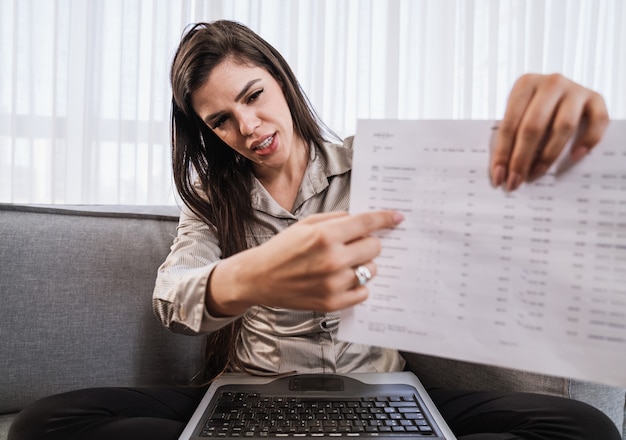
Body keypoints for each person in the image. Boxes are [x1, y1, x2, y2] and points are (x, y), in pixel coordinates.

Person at [9, 19, 620, 440]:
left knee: (583, 427)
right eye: (221, 120)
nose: (248, 127)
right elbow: (174, 298)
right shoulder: (212, 201)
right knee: (46, 423)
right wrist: (251, 275)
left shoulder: (381, 162)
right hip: (252, 398)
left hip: (380, 393)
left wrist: (558, 137)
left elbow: (499, 200)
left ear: (281, 80)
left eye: (254, 96)